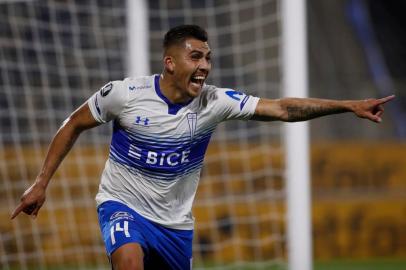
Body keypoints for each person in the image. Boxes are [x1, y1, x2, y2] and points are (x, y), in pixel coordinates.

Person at [11, 24, 394, 270]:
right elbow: (73, 124)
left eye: (208, 57)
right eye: (196, 56)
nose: (205, 65)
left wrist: (348, 106)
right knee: (128, 260)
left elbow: (282, 109)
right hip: (122, 203)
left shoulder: (215, 101)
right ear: (170, 62)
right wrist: (41, 182)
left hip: (176, 224)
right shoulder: (124, 95)